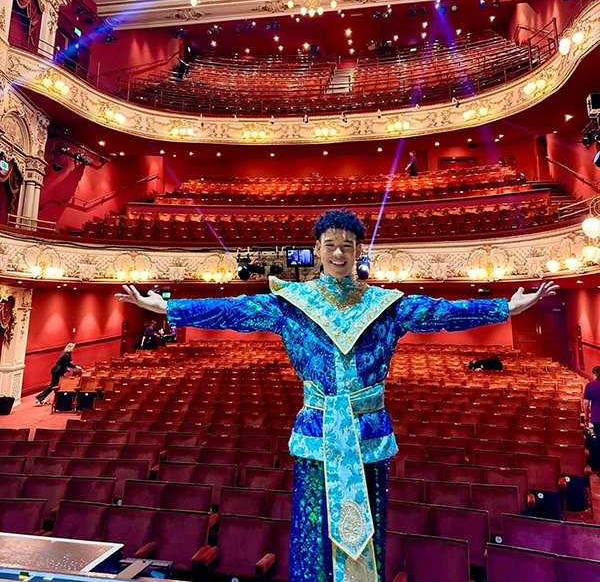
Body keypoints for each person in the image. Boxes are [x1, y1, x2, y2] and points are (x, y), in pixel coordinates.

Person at [116, 209, 558, 582]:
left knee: (370, 521)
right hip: (317, 430)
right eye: (330, 245)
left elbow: (440, 312)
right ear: (317, 248)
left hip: (367, 434)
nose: (339, 253)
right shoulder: (292, 302)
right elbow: (233, 309)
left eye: (348, 245)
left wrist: (503, 307)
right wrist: (168, 307)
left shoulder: (386, 305)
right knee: (312, 526)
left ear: (359, 250)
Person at [583, 366, 600, 468]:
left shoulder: (590, 385)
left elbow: (586, 403)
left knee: (599, 442)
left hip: (597, 418)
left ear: (595, 374)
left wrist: (586, 418)